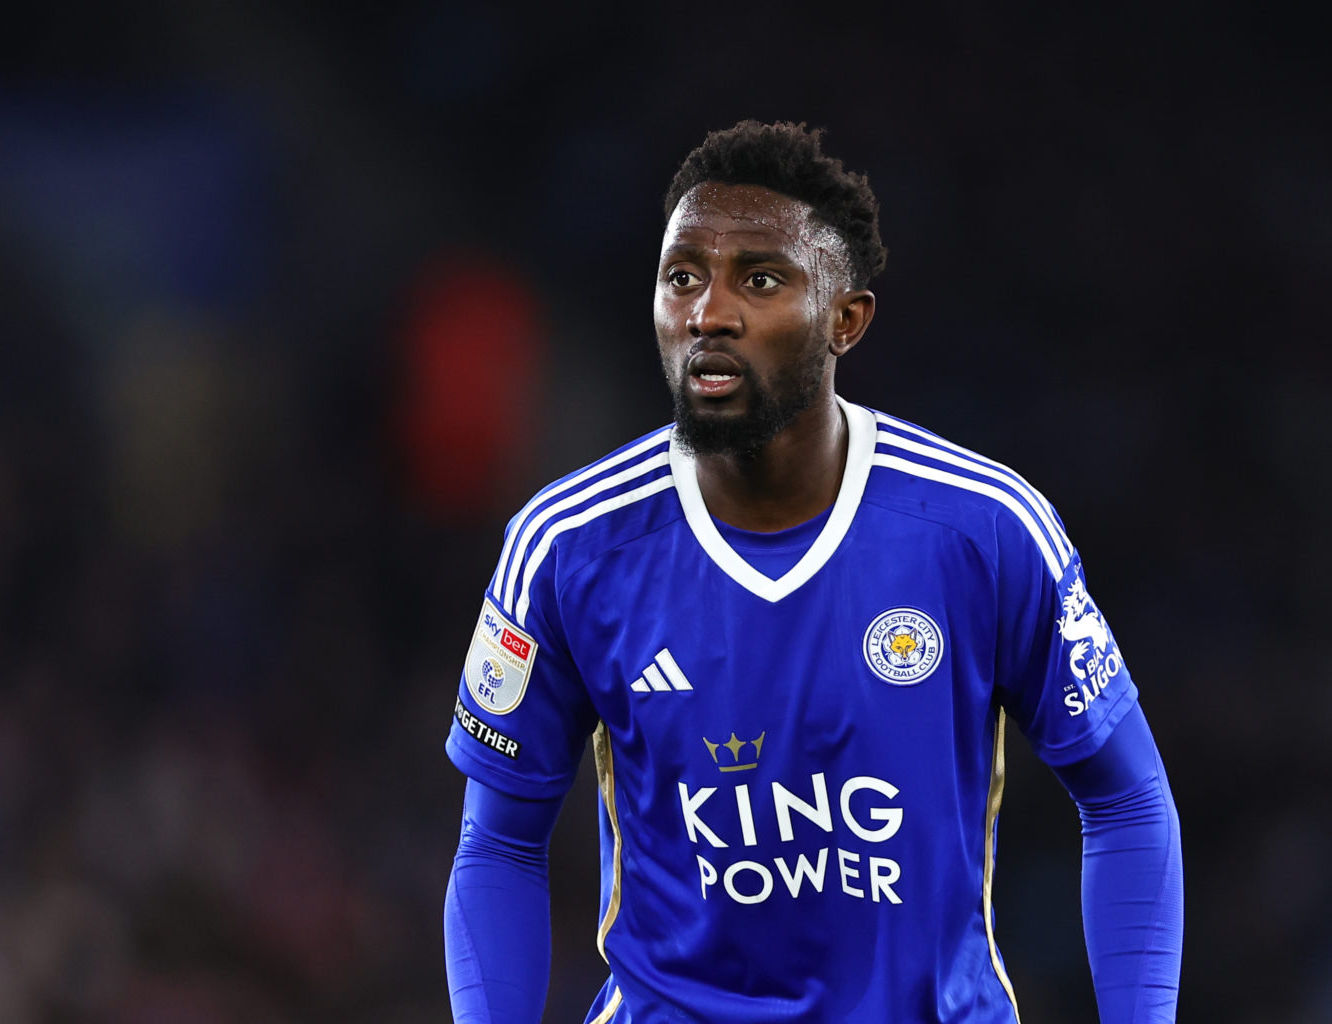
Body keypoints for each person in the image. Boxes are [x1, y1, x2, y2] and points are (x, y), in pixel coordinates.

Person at [443, 120, 1182, 1024]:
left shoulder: (982, 528)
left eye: (759, 279)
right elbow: (499, 847)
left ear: (845, 319)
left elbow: (1128, 801)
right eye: (683, 277)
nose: (709, 312)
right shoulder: (566, 546)